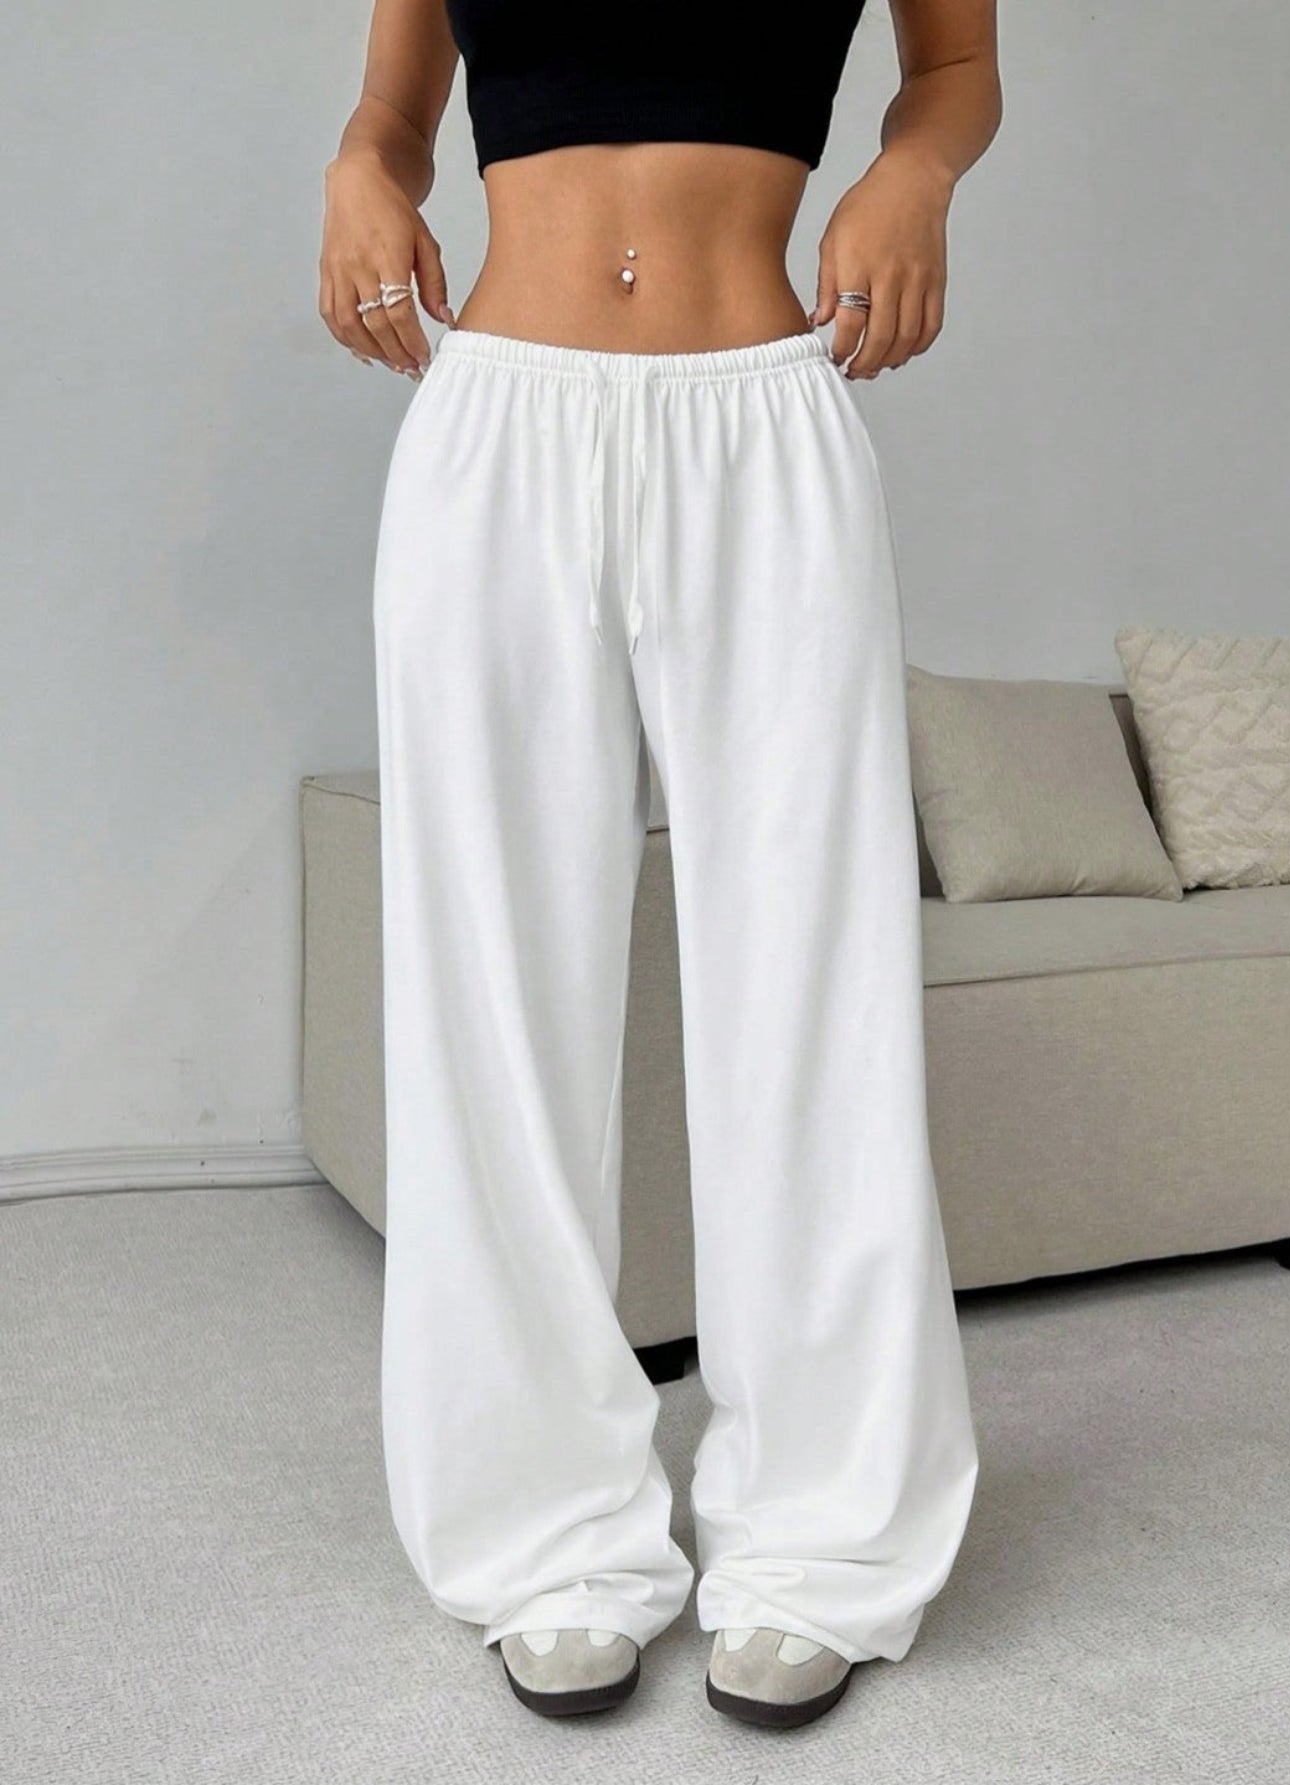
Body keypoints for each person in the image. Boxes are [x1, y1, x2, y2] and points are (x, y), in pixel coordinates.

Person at [319, 0, 1002, 1733]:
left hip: (762, 425)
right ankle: (546, 1535)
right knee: (492, 1000)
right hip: (499, 427)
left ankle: (822, 1537)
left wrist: (915, 175)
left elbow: (956, 69)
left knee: (812, 991)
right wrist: (358, 172)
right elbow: (394, 110)